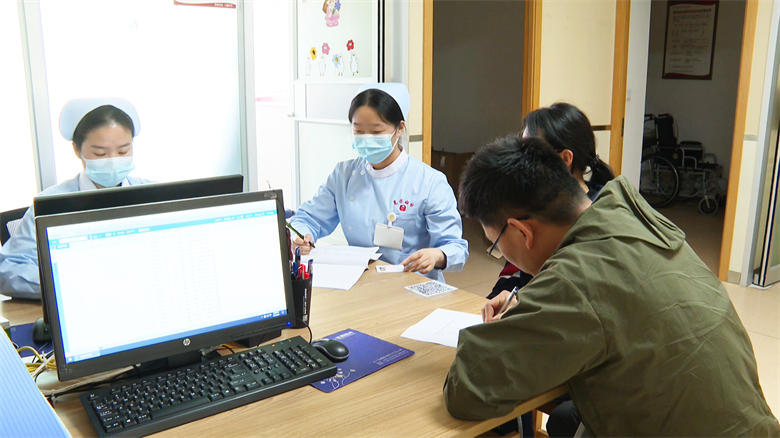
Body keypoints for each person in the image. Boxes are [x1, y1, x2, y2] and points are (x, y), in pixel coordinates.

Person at [445, 135, 779, 437]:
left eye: (495, 245)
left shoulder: (573, 281)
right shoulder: (631, 216)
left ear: (522, 231)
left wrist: (513, 322)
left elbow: (468, 389)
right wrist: (532, 306)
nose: (499, 253)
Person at [489, 103, 613, 438]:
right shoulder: (537, 210)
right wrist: (508, 295)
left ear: (565, 159)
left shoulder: (602, 216)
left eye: (528, 152)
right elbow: (518, 273)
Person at [290, 83, 468, 282]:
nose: (367, 139)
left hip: (412, 283)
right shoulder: (344, 175)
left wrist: (437, 255)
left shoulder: (429, 182)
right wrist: (301, 236)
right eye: (359, 131)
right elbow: (308, 218)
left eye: (376, 132)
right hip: (358, 280)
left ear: (399, 128)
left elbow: (456, 247)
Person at [0, 98, 154, 299]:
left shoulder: (155, 195)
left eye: (123, 151)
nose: (112, 160)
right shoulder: (51, 203)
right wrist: (70, 283)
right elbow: (8, 270)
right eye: (100, 153)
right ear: (77, 150)